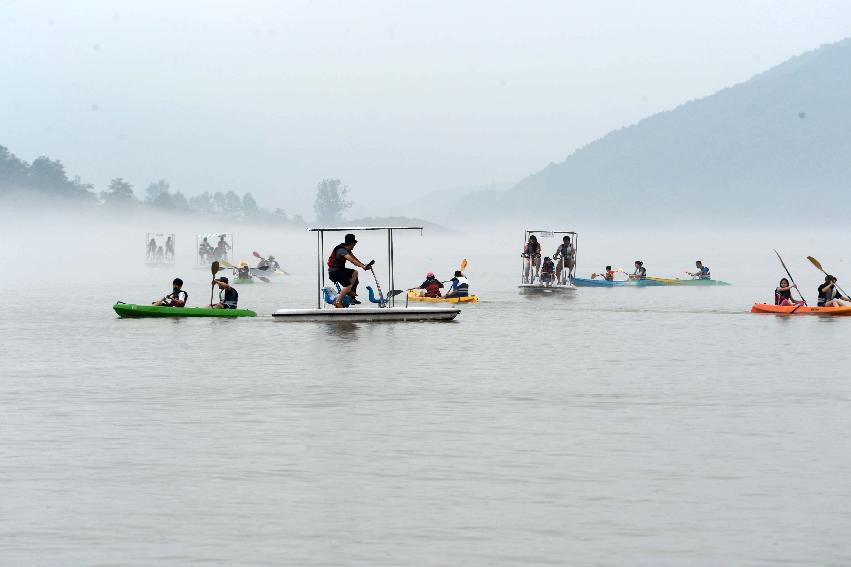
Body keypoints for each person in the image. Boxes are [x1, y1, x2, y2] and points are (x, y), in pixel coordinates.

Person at [327, 233, 373, 308]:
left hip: (340, 270)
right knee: (347, 285)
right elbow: (352, 260)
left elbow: (354, 258)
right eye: (354, 245)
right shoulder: (341, 250)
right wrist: (362, 267)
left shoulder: (347, 250)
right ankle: (337, 302)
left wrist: (364, 265)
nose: (354, 247)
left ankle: (349, 292)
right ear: (351, 244)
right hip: (334, 272)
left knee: (354, 273)